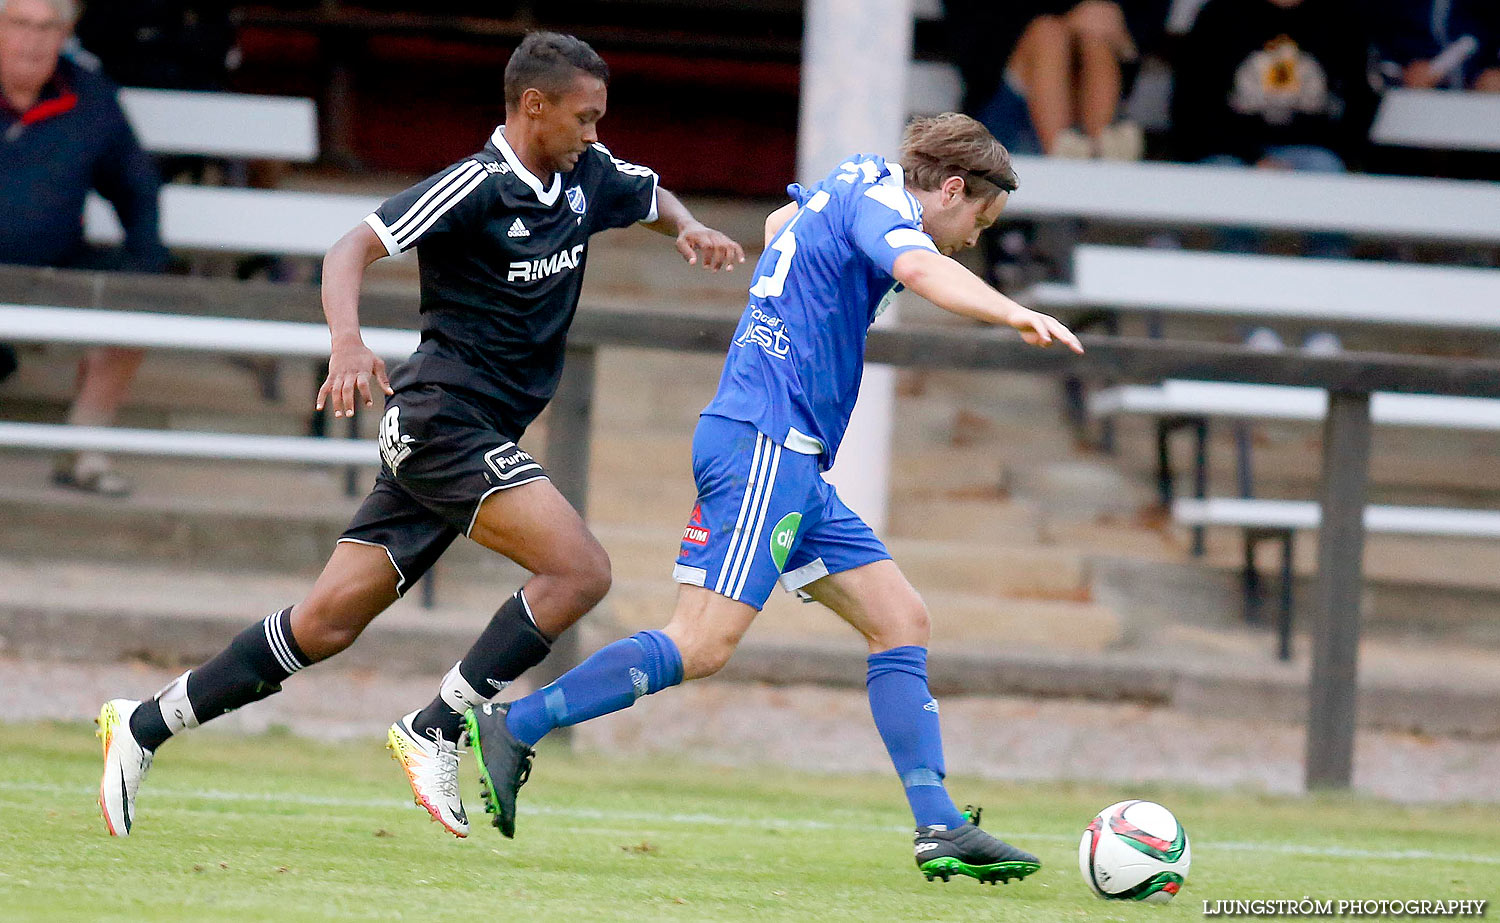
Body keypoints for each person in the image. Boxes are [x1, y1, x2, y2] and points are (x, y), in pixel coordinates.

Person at [94, 31, 745, 838]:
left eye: (601, 119)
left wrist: (688, 228)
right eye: (584, 118)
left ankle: (143, 723)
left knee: (325, 622)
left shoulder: (587, 179)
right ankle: (437, 724)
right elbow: (352, 245)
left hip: (467, 435)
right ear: (532, 107)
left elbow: (649, 196)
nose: (595, 134)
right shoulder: (473, 185)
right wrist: (346, 339)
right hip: (443, 421)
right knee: (579, 570)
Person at [464, 113, 1084, 886]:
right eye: (976, 221)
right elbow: (920, 269)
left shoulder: (857, 178)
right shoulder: (885, 209)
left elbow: (780, 220)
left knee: (900, 617)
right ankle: (515, 723)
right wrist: (1014, 310)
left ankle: (938, 825)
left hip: (789, 457)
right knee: (700, 644)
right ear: (950, 189)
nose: (970, 239)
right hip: (765, 441)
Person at [0, 0, 169, 494]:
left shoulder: (90, 98)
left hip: (55, 263)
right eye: (17, 25)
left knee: (139, 289)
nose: (32, 40)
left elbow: (136, 186)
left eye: (46, 27)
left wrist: (146, 258)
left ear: (65, 35)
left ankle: (85, 447)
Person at [944, 0, 1168, 158]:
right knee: (1048, 34)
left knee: (1096, 28)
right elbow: (978, 51)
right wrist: (1068, 23)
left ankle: (1102, 146)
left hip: (1093, 105)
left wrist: (1122, 34)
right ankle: (1068, 155)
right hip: (1006, 124)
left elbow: (1141, 25)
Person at [1369, 0, 1500, 93]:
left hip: (1471, 80)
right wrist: (1401, 74)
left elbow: (1477, 36)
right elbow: (1380, 49)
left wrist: (1437, 67)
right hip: (1408, 84)